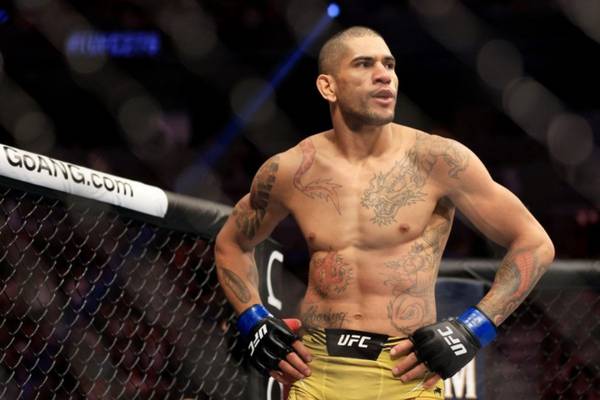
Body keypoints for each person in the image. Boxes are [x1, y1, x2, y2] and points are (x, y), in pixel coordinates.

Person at [214, 26, 554, 400]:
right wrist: (253, 317)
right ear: (328, 87)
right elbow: (232, 243)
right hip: (316, 371)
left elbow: (534, 243)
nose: (383, 75)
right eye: (364, 64)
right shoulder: (292, 170)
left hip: (406, 375)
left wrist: (474, 328)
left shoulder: (437, 160)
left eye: (389, 64)